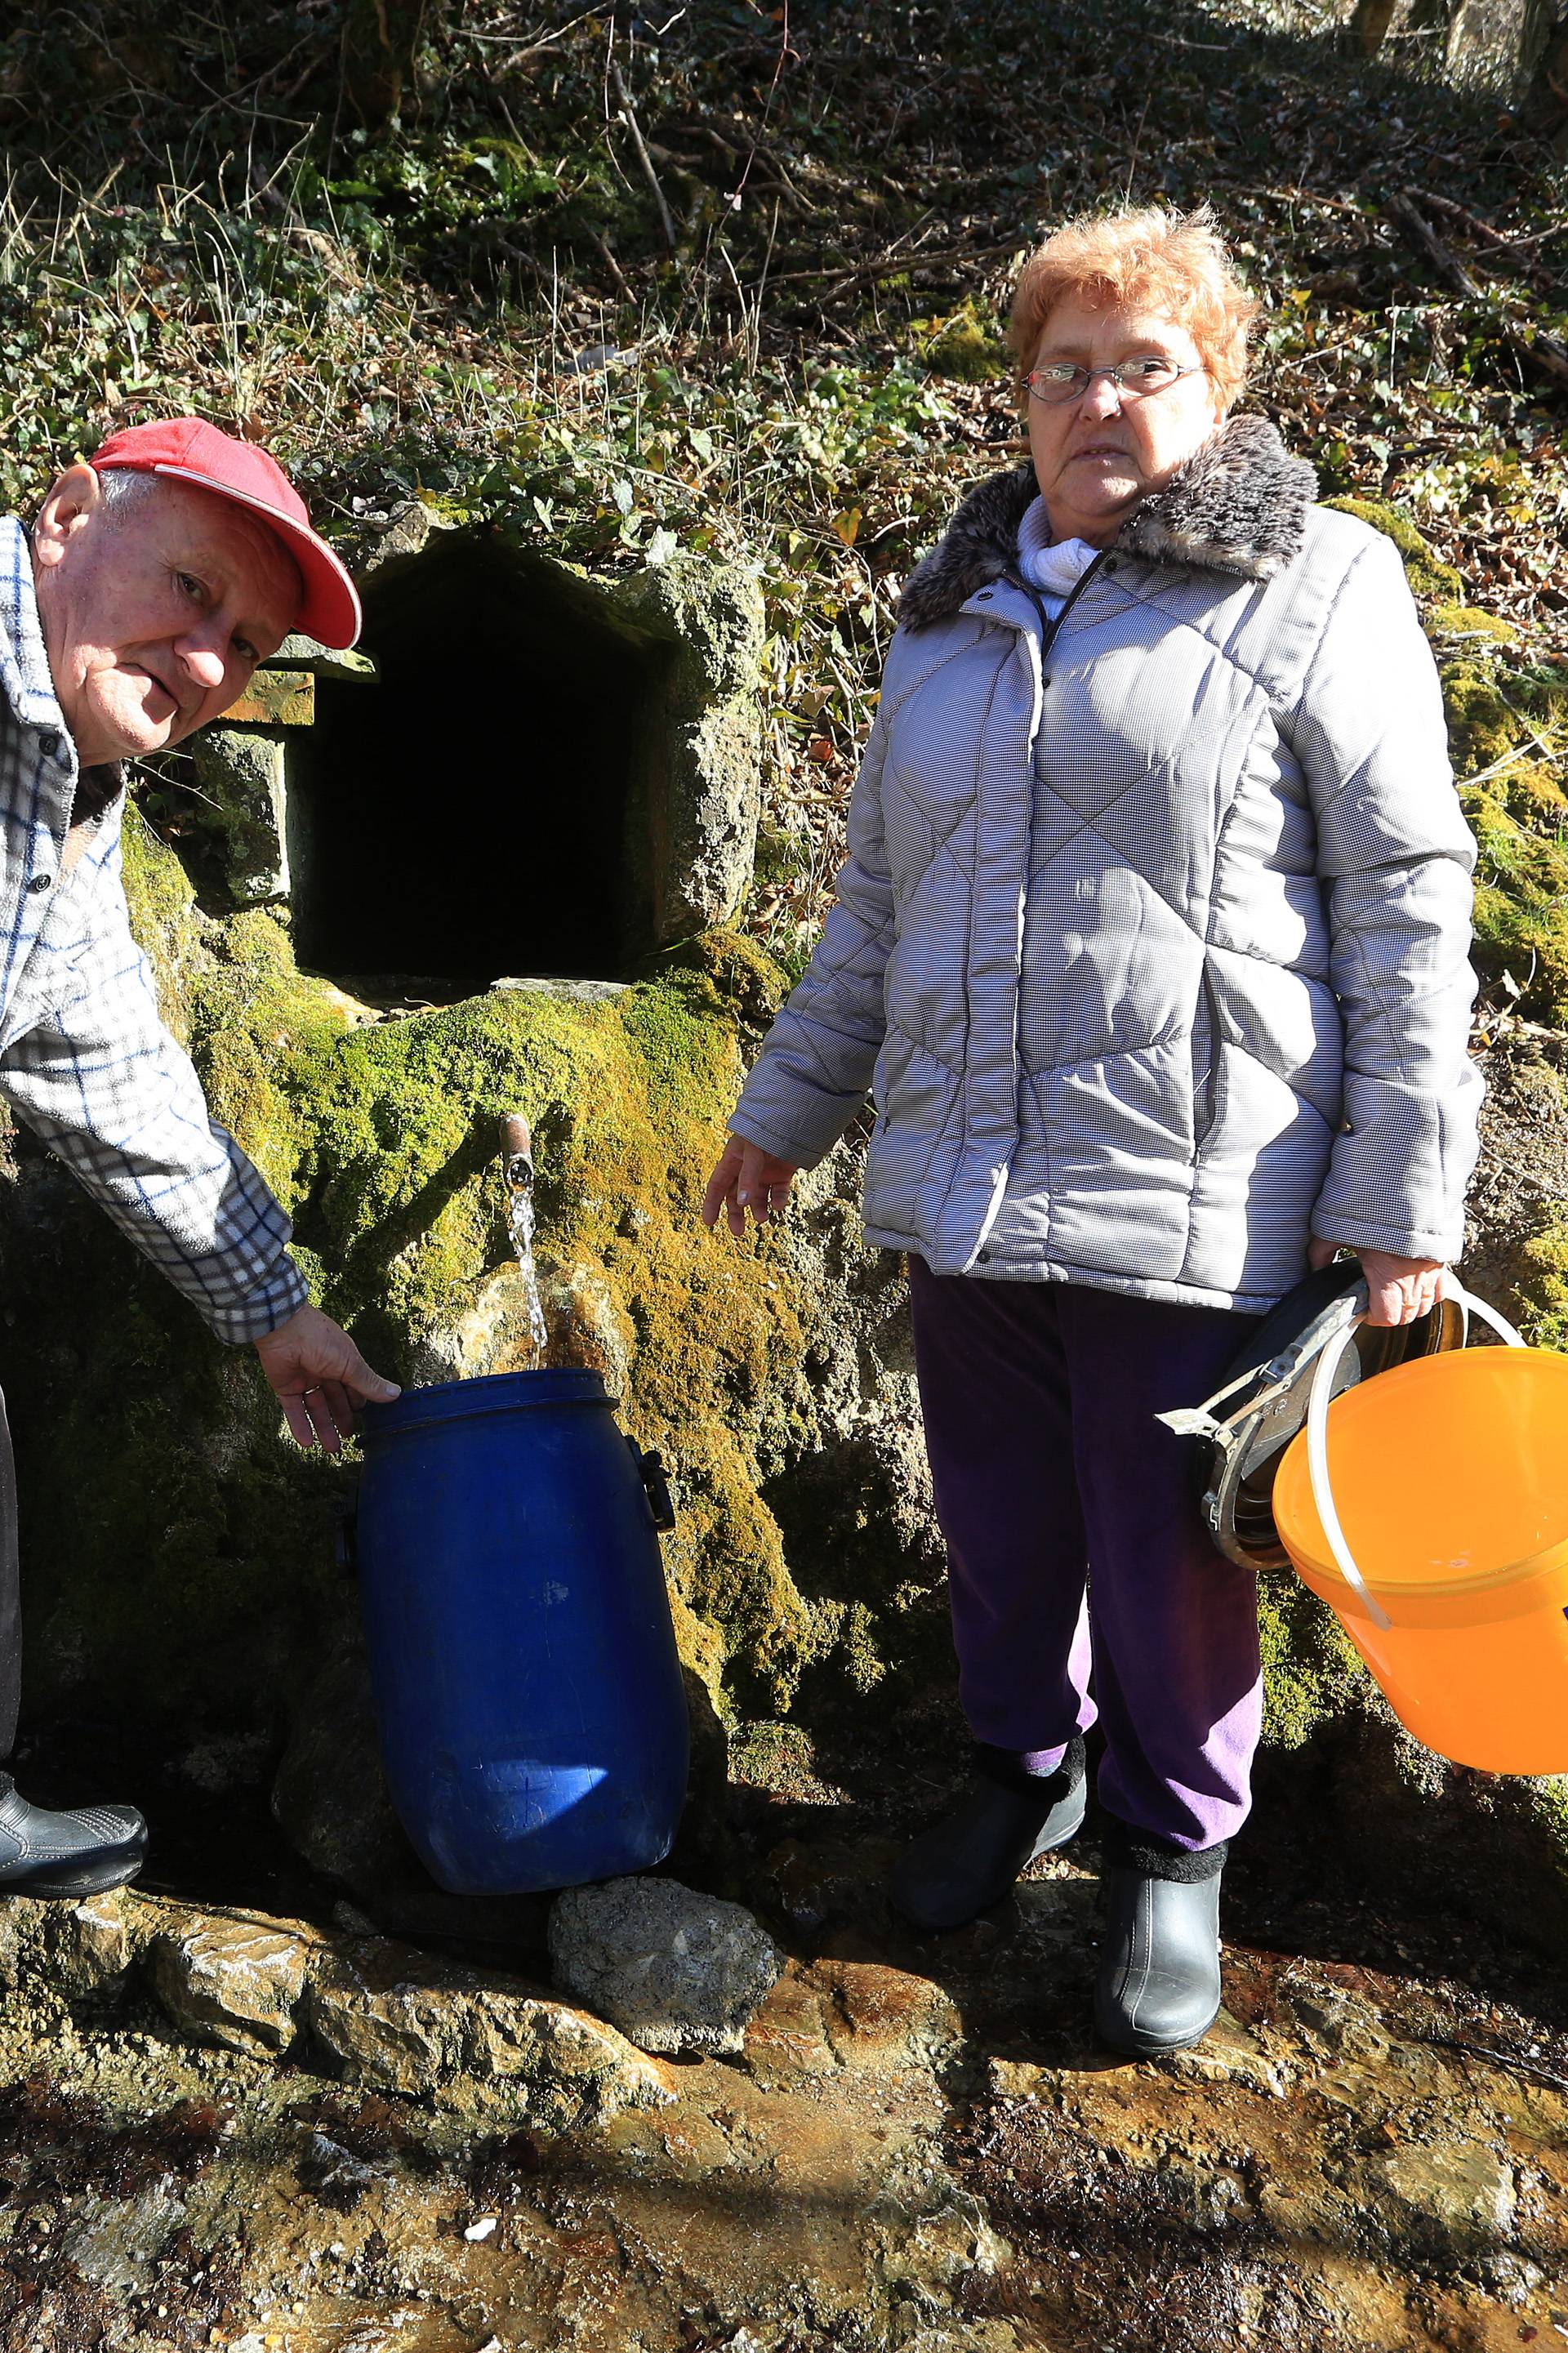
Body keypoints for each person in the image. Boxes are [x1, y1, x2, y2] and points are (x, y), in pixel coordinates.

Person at [702, 207, 1480, 2056]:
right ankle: (1019, 1769)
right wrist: (785, 1114)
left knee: (1172, 1550)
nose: (1102, 401)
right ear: (1022, 397)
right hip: (966, 1187)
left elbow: (1404, 896)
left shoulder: (1322, 585)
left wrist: (1402, 1193)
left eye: (1149, 366)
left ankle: (1173, 1849)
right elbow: (876, 909)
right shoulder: (953, 612)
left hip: (1202, 1193)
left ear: (1219, 393)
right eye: (1068, 368)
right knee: (995, 1524)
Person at [0, 417, 400, 1896]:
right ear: (65, 514)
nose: (211, 659)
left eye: (245, 641)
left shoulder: (67, 795)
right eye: (190, 589)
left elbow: (108, 1064)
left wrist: (272, 1306)